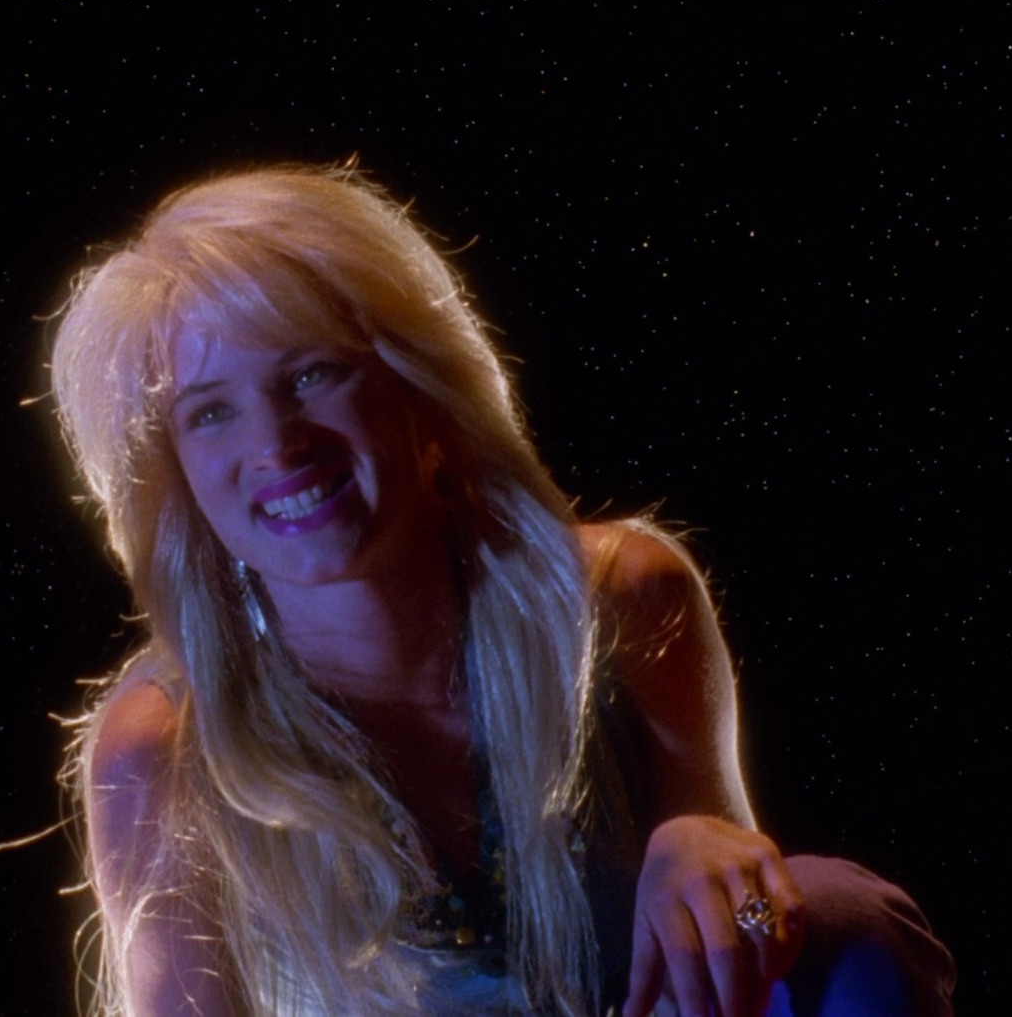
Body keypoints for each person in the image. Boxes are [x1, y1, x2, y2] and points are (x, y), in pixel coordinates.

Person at [48, 165, 953, 1016]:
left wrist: (714, 853)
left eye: (312, 374)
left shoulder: (626, 598)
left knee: (843, 918)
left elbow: (747, 936)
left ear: (419, 385)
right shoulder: (161, 747)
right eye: (211, 411)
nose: (277, 445)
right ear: (174, 475)